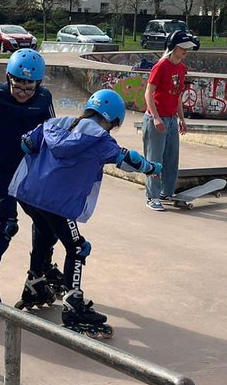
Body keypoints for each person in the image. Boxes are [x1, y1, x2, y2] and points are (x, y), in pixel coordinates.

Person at [9, 89, 161, 337]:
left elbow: (26, 143)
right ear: (111, 119)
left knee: (45, 234)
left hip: (29, 195)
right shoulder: (101, 139)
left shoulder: (55, 123)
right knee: (78, 247)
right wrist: (152, 167)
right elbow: (129, 160)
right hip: (57, 203)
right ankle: (73, 305)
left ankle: (35, 284)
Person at [0, 48, 58, 304]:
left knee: (47, 223)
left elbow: (51, 134)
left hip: (29, 170)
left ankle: (37, 278)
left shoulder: (43, 98)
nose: (22, 93)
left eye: (29, 88)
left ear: (38, 84)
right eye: (17, 86)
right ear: (9, 77)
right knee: (7, 223)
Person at [142, 29, 193, 211]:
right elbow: (148, 93)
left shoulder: (181, 68)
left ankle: (166, 192)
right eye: (182, 48)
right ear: (173, 48)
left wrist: (181, 118)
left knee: (171, 158)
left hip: (171, 119)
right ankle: (152, 196)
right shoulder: (160, 66)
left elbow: (178, 95)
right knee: (155, 159)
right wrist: (155, 117)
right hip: (156, 118)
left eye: (187, 48)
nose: (185, 51)